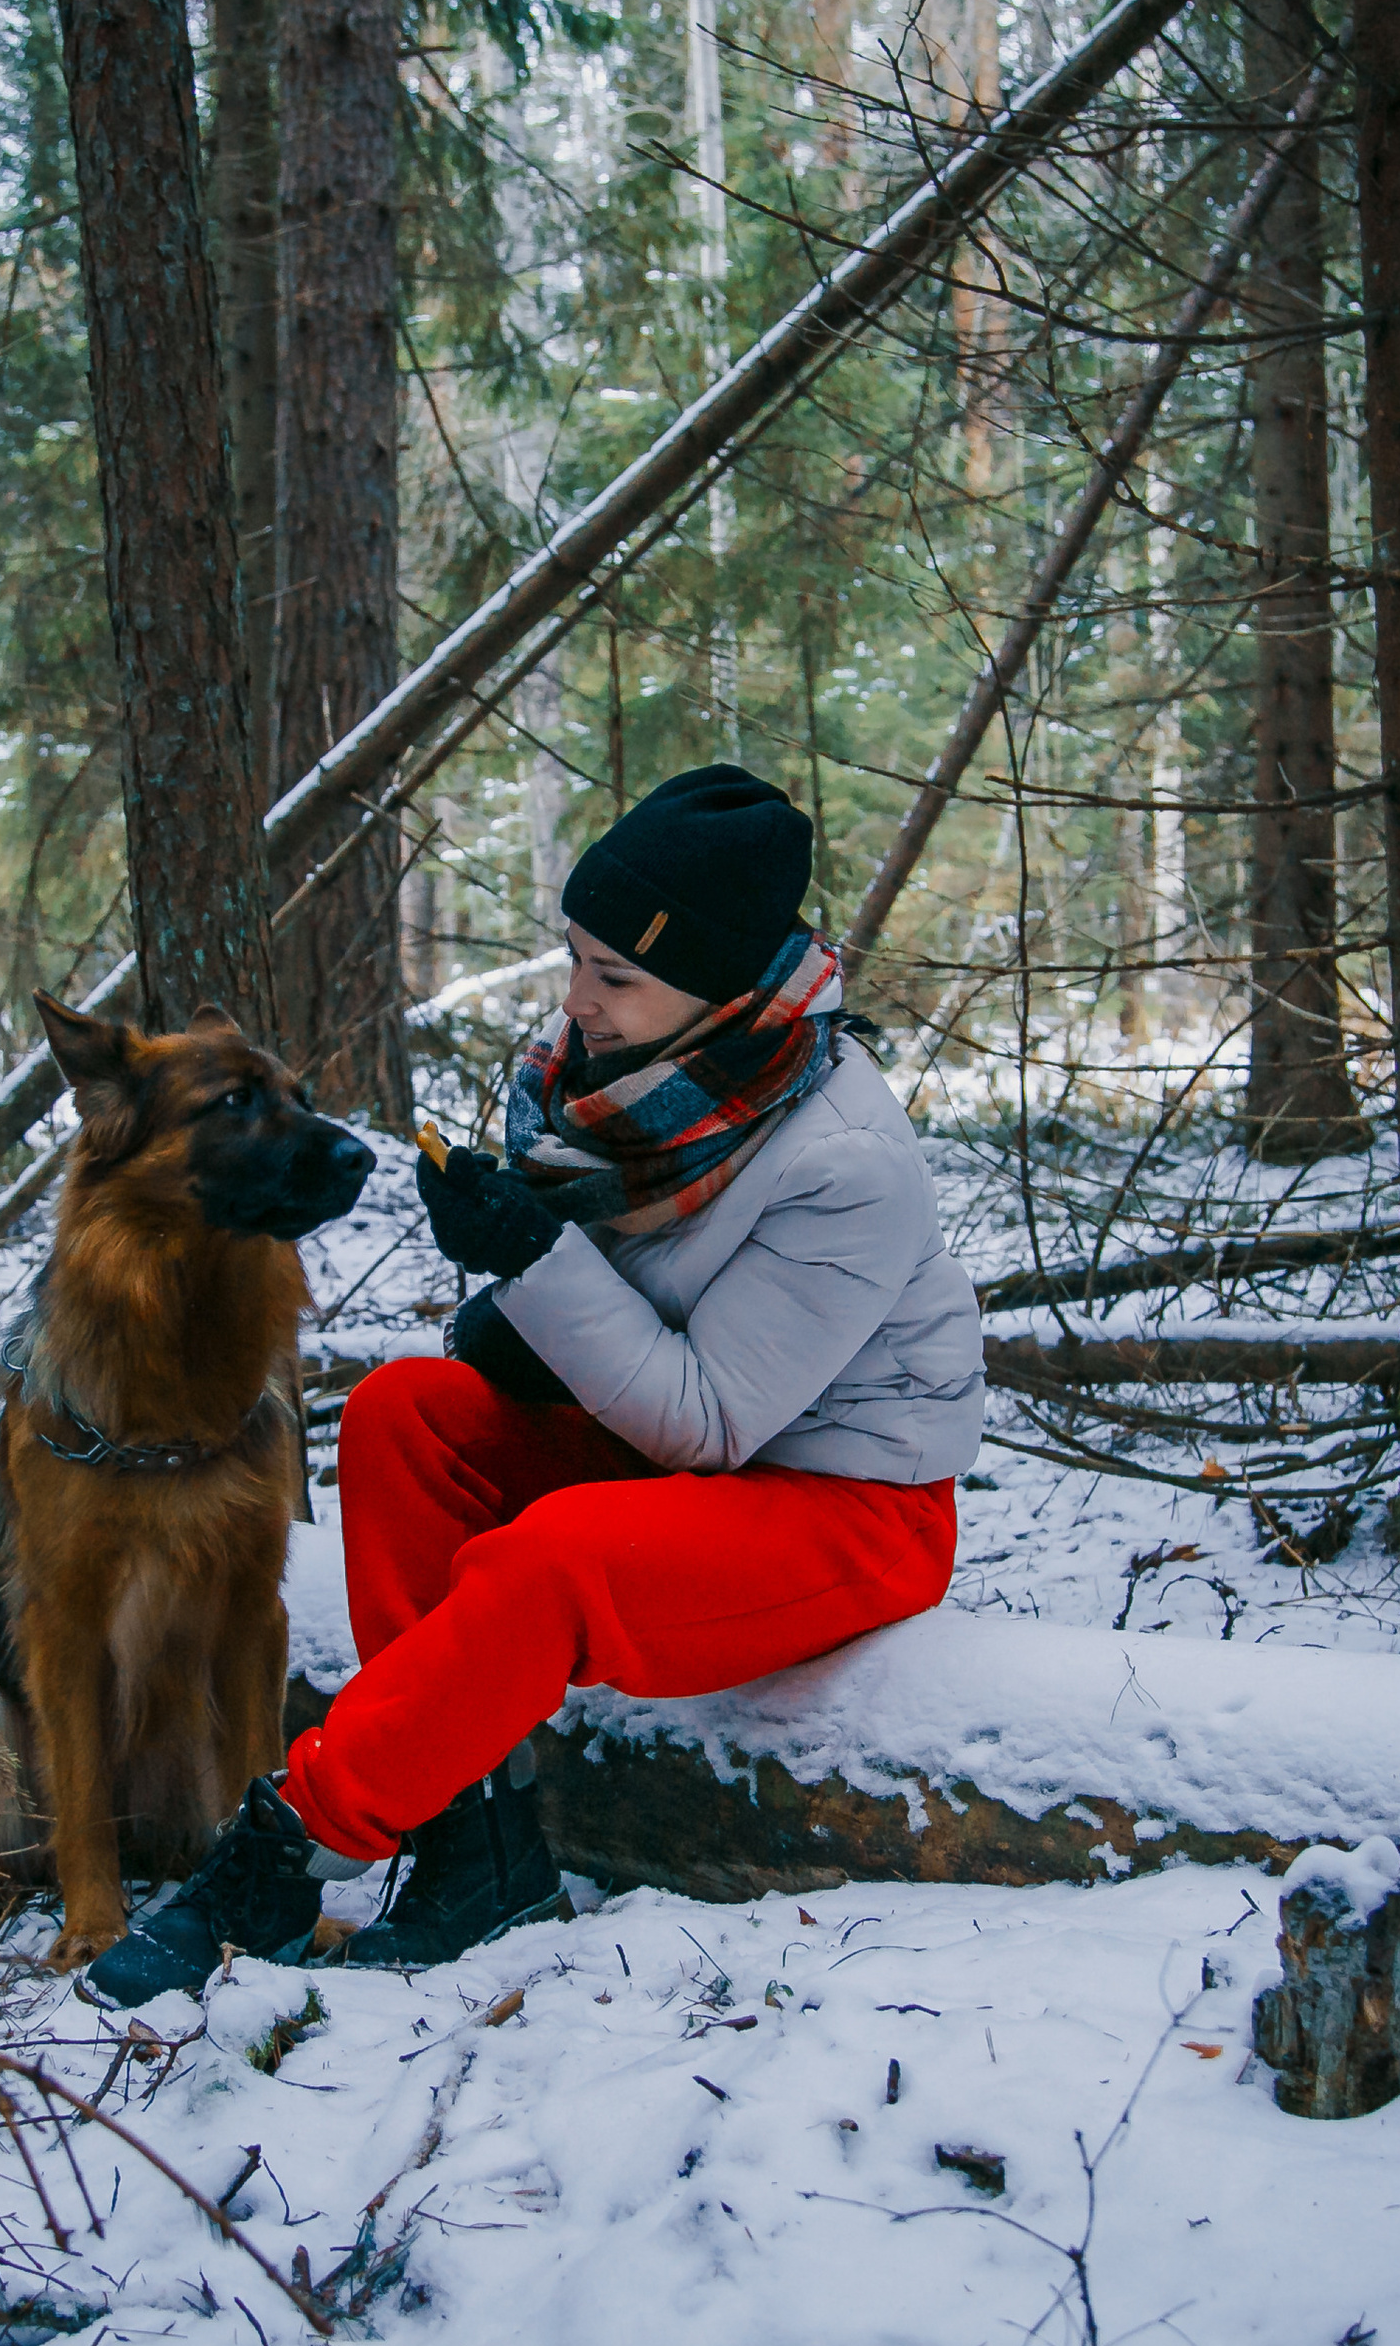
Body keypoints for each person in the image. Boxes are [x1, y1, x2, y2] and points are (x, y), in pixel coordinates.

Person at [84, 765, 984, 2005]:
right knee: (407, 1416)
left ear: (719, 986)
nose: (579, 1003)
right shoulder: (626, 1090)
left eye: (616, 977)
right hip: (684, 1457)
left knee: (548, 1560)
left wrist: (537, 1261)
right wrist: (517, 1308)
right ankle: (478, 1850)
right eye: (575, 960)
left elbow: (713, 1418)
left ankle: (293, 1842)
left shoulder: (846, 1158)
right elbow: (635, 1314)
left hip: (852, 1505)